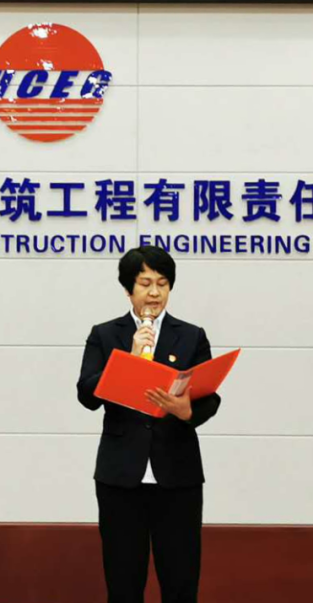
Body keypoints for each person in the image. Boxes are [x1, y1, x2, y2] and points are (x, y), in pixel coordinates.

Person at [77, 246, 220, 603]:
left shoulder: (191, 335)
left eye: (162, 283)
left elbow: (209, 398)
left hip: (178, 477)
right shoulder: (105, 334)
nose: (154, 293)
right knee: (124, 583)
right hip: (121, 478)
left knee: (181, 581)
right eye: (145, 284)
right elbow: (86, 394)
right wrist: (126, 358)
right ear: (128, 289)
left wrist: (185, 411)